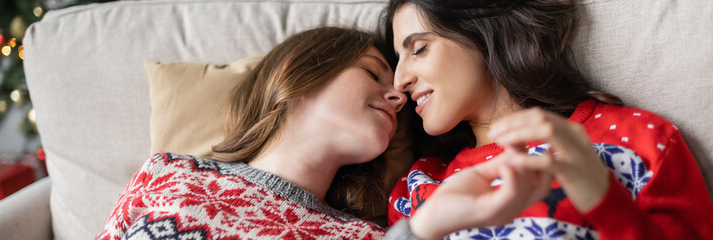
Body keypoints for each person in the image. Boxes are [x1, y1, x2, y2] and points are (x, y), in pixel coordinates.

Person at [96, 27, 546, 240]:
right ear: (300, 70)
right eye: (373, 72)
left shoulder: (363, 236)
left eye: (398, 94)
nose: (399, 97)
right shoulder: (170, 173)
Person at [381, 0, 713, 239]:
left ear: (483, 33)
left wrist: (602, 198)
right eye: (398, 59)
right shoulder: (415, 189)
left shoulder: (637, 138)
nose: (399, 80)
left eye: (419, 49)